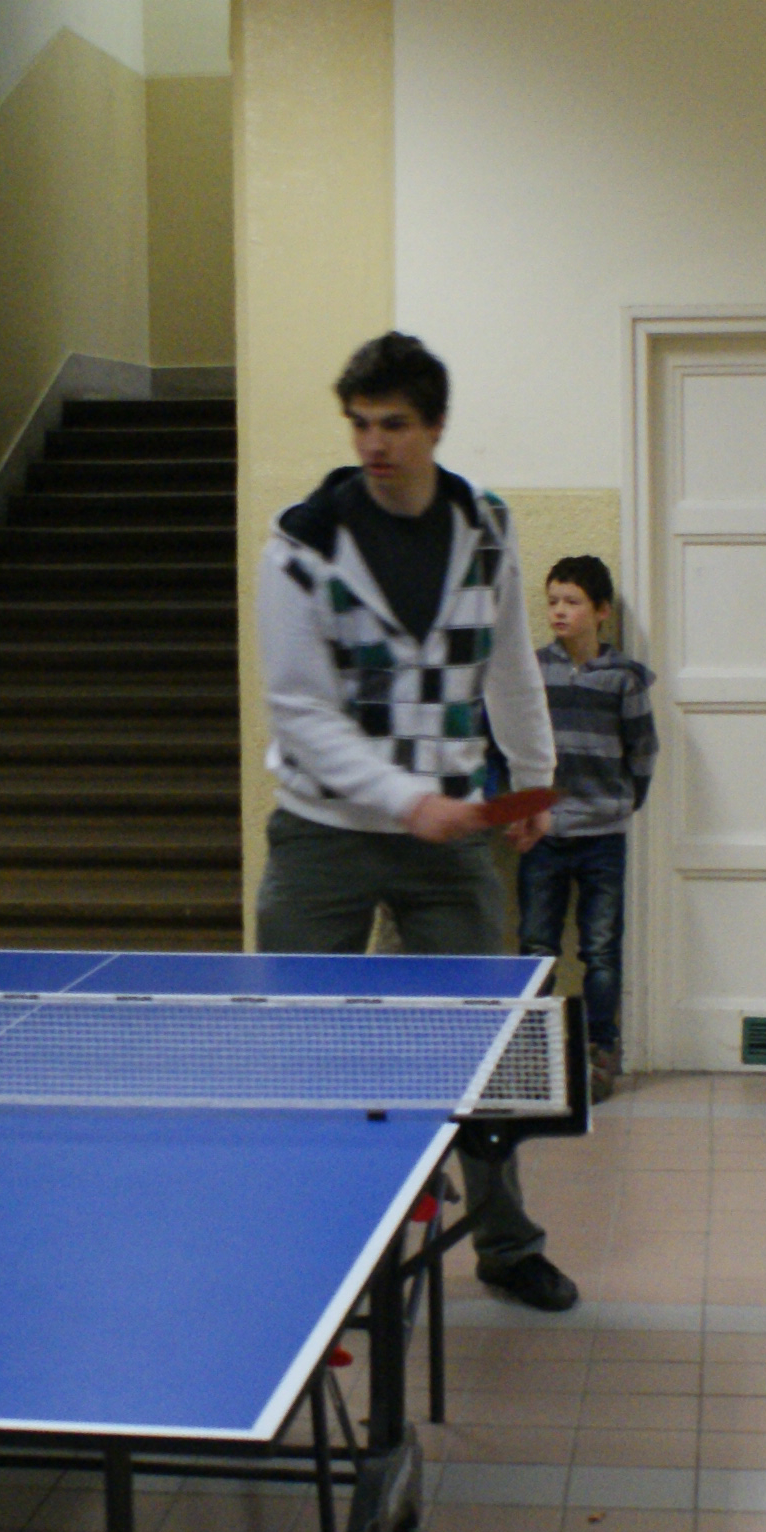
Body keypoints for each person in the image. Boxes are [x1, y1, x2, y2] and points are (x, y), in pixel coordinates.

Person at [256, 331, 576, 1311]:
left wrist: (533, 777)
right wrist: (407, 801)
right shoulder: (300, 544)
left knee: (483, 1047)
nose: (373, 444)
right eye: (359, 424)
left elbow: (507, 660)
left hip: (450, 843)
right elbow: (298, 709)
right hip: (321, 835)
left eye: (392, 424)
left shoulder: (486, 527)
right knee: (301, 1052)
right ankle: (314, 1248)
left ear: (434, 426)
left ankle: (506, 1244)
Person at [518, 554, 655, 1100]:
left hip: (603, 835)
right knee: (536, 945)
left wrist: (623, 803)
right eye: (552, 600)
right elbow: (515, 743)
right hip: (545, 834)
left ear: (601, 612)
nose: (559, 611)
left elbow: (642, 751)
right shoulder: (533, 671)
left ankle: (602, 1050)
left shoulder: (623, 677)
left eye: (572, 602)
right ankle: (531, 1050)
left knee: (600, 948)